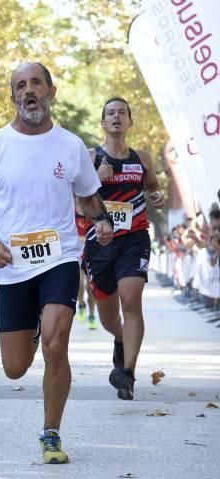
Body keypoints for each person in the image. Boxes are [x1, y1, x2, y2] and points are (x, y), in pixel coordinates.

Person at [0, 62, 113, 464]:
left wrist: (102, 220)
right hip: (11, 264)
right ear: (13, 96)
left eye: (36, 84)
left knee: (57, 342)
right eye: (21, 86)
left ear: (51, 91)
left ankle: (51, 433)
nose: (29, 91)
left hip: (59, 257)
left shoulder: (70, 145)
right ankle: (31, 331)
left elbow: (88, 196)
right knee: (14, 368)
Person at [84, 97, 164, 401]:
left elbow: (153, 186)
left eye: (122, 113)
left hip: (134, 238)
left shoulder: (142, 159)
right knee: (108, 317)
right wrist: (95, 178)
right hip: (99, 243)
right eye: (110, 113)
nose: (116, 117)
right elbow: (73, 198)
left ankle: (127, 373)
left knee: (130, 301)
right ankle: (120, 338)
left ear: (130, 121)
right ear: (103, 123)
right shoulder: (90, 158)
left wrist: (155, 196)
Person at [74, 204, 97, 329]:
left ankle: (92, 315)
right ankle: (81, 303)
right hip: (77, 253)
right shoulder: (71, 210)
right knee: (80, 283)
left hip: (90, 252)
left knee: (90, 287)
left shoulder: (92, 208)